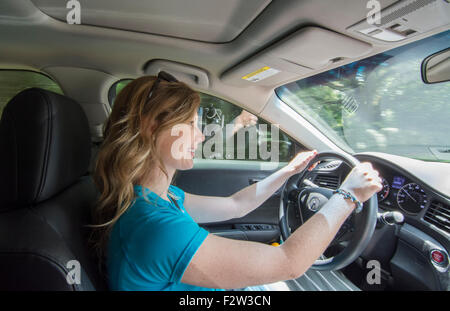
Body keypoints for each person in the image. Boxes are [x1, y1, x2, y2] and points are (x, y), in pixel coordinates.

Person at [91, 72, 383, 291]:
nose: (201, 135)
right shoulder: (156, 227)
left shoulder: (156, 199)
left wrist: (288, 172)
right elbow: (289, 263)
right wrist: (348, 195)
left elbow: (236, 205)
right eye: (191, 124)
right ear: (151, 127)